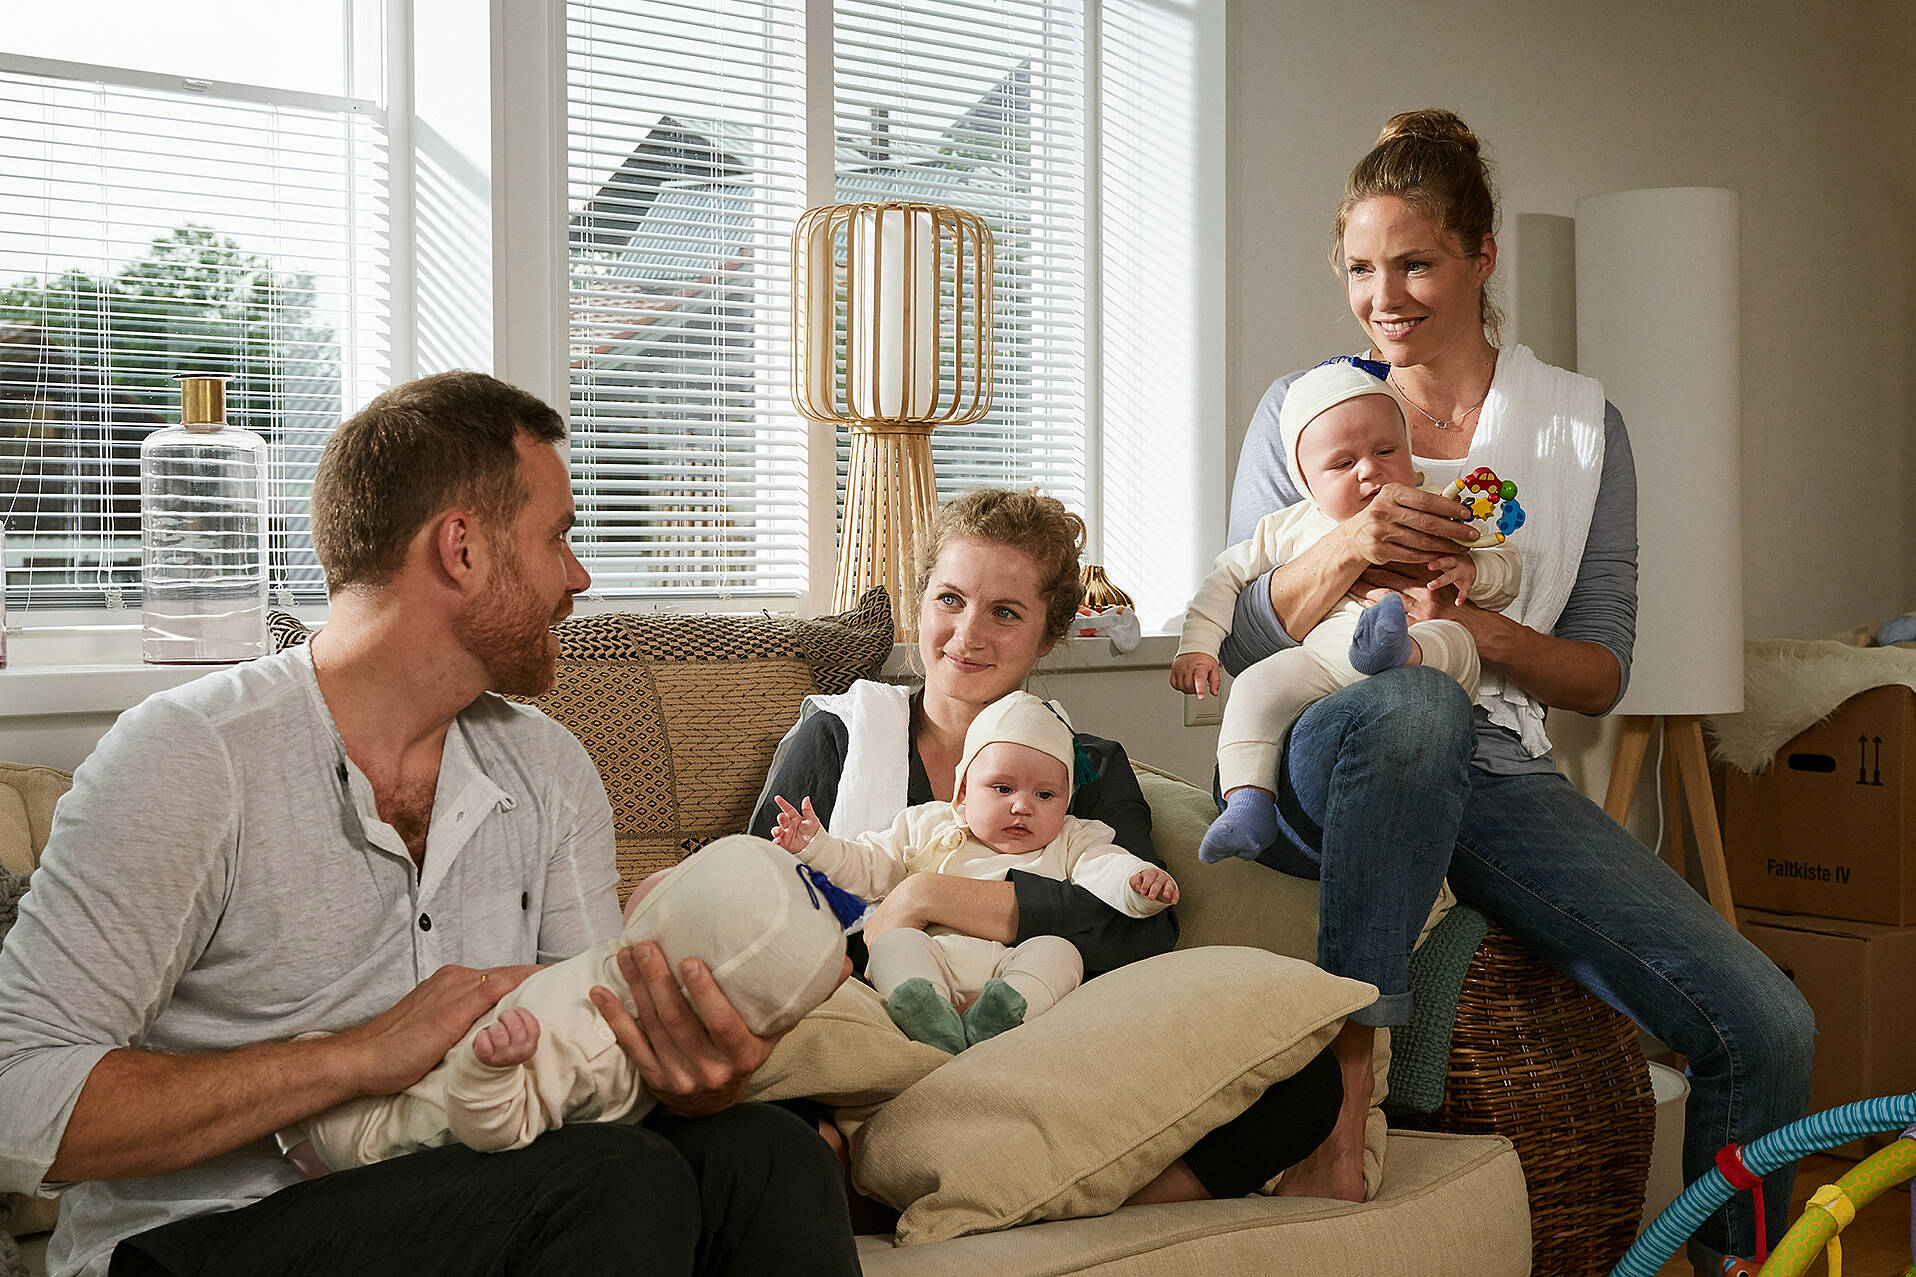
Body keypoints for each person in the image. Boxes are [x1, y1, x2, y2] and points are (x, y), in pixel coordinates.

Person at [0, 371, 859, 1277]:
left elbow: (584, 1056)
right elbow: (18, 1096)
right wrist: (351, 1057)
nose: (579, 577)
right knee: (612, 1178)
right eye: (558, 537)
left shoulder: (548, 768)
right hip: (200, 1238)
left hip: (471, 1191)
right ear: (462, 548)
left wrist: (687, 1075)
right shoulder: (192, 755)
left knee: (767, 1153)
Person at [1221, 108, 1813, 1274]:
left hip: (1494, 763)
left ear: (1482, 256)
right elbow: (1242, 639)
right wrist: (1348, 550)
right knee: (1412, 707)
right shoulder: (1305, 414)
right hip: (1322, 739)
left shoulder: (1580, 430)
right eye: (1358, 268)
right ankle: (1347, 1097)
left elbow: (1598, 669)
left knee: (1766, 1022)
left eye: (1414, 262)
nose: (1381, 298)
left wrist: (1473, 626)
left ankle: (1741, 1263)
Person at [751, 486, 1347, 1207]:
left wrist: (928, 895)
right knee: (762, 1103)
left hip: (1039, 1037)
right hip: (879, 1024)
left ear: (1048, 635)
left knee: (1304, 1080)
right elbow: (758, 916)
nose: (967, 634)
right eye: (949, 599)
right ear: (920, 603)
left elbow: (1141, 931)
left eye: (1005, 612)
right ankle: (949, 1174)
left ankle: (1060, 1192)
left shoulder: (1087, 765)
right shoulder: (838, 738)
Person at [282, 834, 858, 1174]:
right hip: (388, 1097)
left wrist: (488, 1068)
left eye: (677, 877)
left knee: (782, 1152)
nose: (655, 874)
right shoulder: (604, 989)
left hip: (386, 1141)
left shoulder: (586, 1042)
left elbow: (496, 1129)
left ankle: (298, 1122)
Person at [1173, 356, 1520, 863]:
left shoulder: (1436, 507)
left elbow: (1504, 563)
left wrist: (1476, 572)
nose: (1370, 469)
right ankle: (1247, 802)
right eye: (1342, 463)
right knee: (1254, 687)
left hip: (1425, 655)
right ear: (1306, 481)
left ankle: (1397, 648)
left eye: (1386, 450)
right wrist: (1197, 646)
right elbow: (1224, 578)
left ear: (1410, 453)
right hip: (1325, 660)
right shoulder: (1288, 528)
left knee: (1457, 640)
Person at [771, 690, 1178, 1053]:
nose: (1023, 806)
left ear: (1067, 799)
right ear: (963, 789)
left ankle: (1000, 1020)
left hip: (1014, 966)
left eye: (1045, 794)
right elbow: (869, 866)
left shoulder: (1072, 838)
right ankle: (924, 1011)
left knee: (1059, 953)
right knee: (894, 943)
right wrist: (817, 847)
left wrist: (1137, 882)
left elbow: (1105, 866)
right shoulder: (926, 824)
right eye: (1003, 789)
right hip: (935, 959)